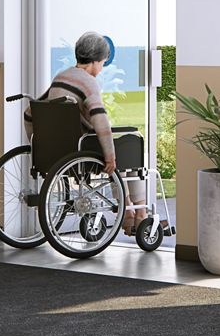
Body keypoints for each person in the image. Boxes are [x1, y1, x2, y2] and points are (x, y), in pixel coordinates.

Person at [25, 31, 148, 234]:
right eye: (103, 62)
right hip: (84, 151)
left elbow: (30, 112)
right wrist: (109, 157)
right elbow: (101, 122)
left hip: (58, 152)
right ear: (96, 61)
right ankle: (140, 214)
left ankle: (128, 214)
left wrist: (36, 145)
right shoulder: (88, 83)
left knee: (121, 153)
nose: (102, 68)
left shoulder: (61, 76)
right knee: (132, 146)